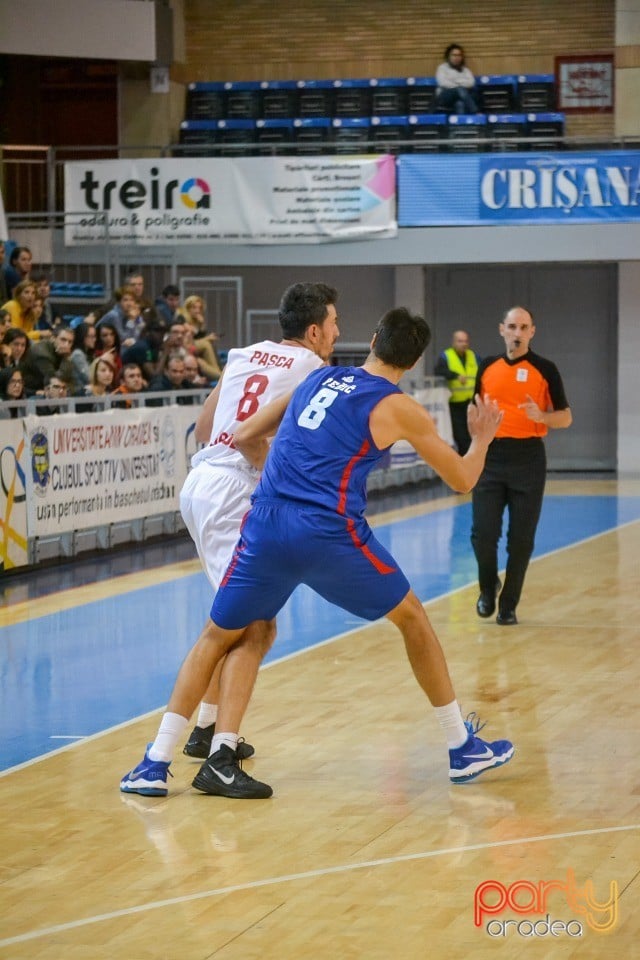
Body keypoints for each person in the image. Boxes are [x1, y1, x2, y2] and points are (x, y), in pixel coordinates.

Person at [121, 305, 514, 800]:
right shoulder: (399, 407)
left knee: (217, 636)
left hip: (264, 522)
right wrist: (481, 440)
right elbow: (461, 480)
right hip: (326, 531)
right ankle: (461, 746)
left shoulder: (318, 378)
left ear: (372, 340)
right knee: (412, 617)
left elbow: (243, 435)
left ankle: (154, 763)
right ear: (412, 364)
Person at [121, 281, 340, 792]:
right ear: (313, 331)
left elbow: (202, 427)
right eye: (333, 324)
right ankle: (178, 759)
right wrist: (279, 484)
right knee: (252, 628)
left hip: (201, 484)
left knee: (239, 622)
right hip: (234, 494)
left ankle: (205, 733)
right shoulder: (315, 371)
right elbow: (255, 442)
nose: (337, 332)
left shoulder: (243, 353)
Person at [471, 306, 572, 626]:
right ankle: (488, 588)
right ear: (502, 329)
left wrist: (541, 417)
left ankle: (508, 604)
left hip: (528, 458)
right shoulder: (487, 366)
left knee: (521, 539)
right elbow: (476, 410)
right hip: (490, 457)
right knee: (483, 535)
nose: (517, 332)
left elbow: (566, 417)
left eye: (523, 327)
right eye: (512, 326)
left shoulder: (545, 369)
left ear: (532, 332)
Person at [434, 330, 480, 456]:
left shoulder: (473, 356)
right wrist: (455, 376)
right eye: (460, 341)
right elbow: (438, 371)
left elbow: (481, 372)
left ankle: (469, 464)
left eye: (466, 341)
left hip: (470, 404)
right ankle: (463, 464)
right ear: (454, 342)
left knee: (472, 436)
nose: (463, 344)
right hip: (454, 404)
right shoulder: (446, 356)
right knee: (461, 437)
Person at [434, 43, 479, 115]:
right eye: (454, 55)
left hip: (461, 97)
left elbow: (471, 83)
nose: (456, 57)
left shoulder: (465, 70)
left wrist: (455, 82)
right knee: (460, 89)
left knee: (460, 103)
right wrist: (459, 85)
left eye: (459, 55)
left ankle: (461, 125)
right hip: (445, 96)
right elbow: (442, 83)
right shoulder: (442, 68)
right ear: (448, 56)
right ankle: (475, 111)